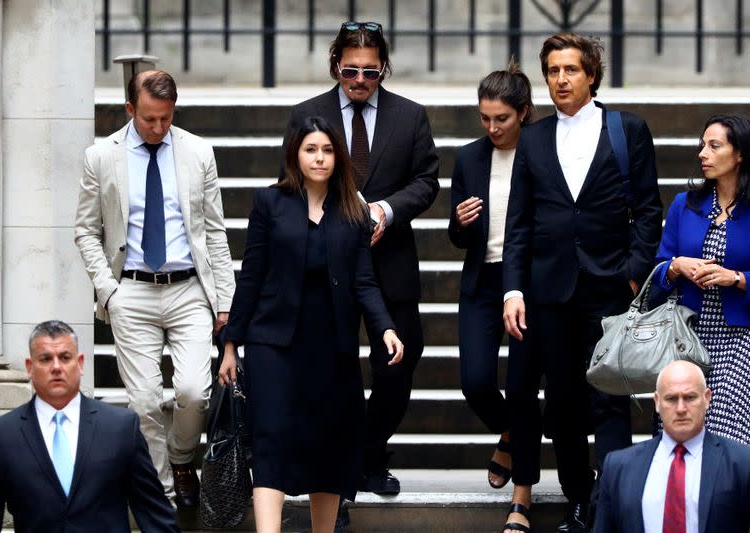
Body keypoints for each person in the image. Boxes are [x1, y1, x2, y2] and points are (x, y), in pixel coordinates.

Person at [502, 33, 663, 531]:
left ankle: (612, 506)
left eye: (570, 69)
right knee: (564, 405)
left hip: (610, 287)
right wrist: (513, 289)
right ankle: (579, 499)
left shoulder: (627, 130)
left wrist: (634, 271)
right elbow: (519, 222)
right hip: (549, 292)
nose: (560, 79)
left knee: (611, 399)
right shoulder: (531, 138)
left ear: (591, 74)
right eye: (552, 70)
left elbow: (648, 210)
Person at [218, 116, 404, 533]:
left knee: (330, 447)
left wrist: (385, 327)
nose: (319, 158)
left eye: (326, 150)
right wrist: (232, 344)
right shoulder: (269, 203)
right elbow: (251, 275)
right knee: (272, 440)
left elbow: (364, 281)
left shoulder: (354, 211)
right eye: (310, 150)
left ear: (338, 156)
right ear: (295, 154)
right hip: (273, 344)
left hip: (332, 347)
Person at [284, 23, 439, 501]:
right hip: (324, 267)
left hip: (389, 262)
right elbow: (290, 182)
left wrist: (385, 211)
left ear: (383, 69)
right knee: (331, 372)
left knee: (398, 365)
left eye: (370, 72)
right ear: (336, 66)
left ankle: (367, 453)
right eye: (350, 70)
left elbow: (427, 180)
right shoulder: (306, 115)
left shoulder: (410, 116)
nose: (359, 80)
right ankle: (337, 472)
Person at [74, 70, 236, 508]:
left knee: (192, 391)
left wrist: (226, 302)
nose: (158, 127)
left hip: (188, 289)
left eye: (166, 118)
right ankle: (162, 490)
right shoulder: (100, 156)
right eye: (148, 119)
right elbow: (86, 231)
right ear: (130, 109)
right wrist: (108, 291)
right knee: (144, 400)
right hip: (132, 289)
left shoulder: (198, 152)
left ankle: (183, 461)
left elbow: (215, 232)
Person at [0, 321, 180, 533]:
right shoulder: (0, 437)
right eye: (45, 359)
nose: (56, 367)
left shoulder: (121, 428)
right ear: (29, 367)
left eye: (65, 357)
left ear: (80, 363)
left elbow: (156, 518)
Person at [652, 115, 750, 446]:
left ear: (740, 155)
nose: (703, 153)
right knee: (680, 434)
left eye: (714, 146)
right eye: (702, 145)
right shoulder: (684, 206)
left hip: (738, 340)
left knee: (727, 438)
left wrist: (736, 278)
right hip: (685, 336)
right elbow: (659, 268)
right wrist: (678, 266)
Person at [447, 64, 535, 500]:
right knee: (475, 380)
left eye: (501, 118)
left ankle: (514, 446)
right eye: (485, 118)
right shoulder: (469, 157)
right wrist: (460, 223)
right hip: (482, 277)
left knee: (521, 383)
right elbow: (456, 235)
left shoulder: (541, 151)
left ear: (523, 112)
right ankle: (513, 433)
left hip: (529, 281)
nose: (492, 127)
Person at [594, 360, 750, 532]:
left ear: (707, 398)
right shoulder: (618, 466)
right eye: (671, 399)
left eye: (689, 397)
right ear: (657, 402)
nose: (680, 408)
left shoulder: (743, 463)